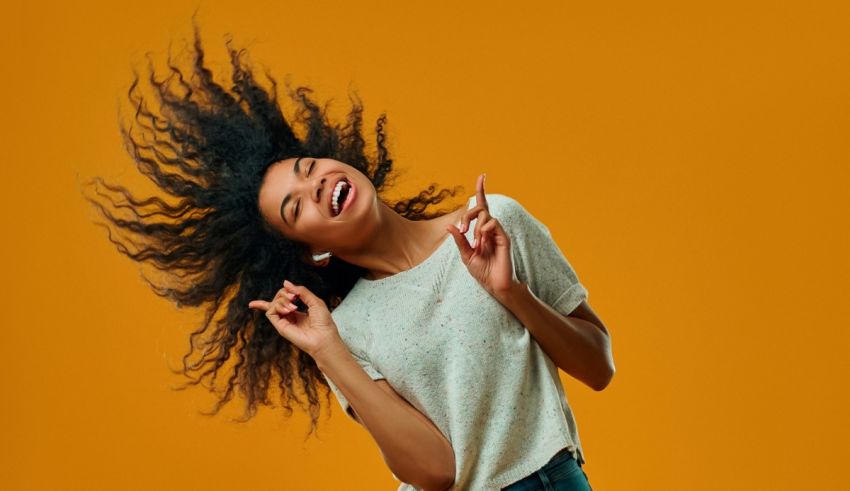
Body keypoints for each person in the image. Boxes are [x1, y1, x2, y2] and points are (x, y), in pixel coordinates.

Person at [85, 19, 614, 491]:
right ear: (313, 250)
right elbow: (435, 472)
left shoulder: (490, 224)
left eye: (310, 166)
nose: (315, 184)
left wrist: (509, 293)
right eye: (295, 208)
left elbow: (598, 367)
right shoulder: (345, 331)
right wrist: (328, 351)